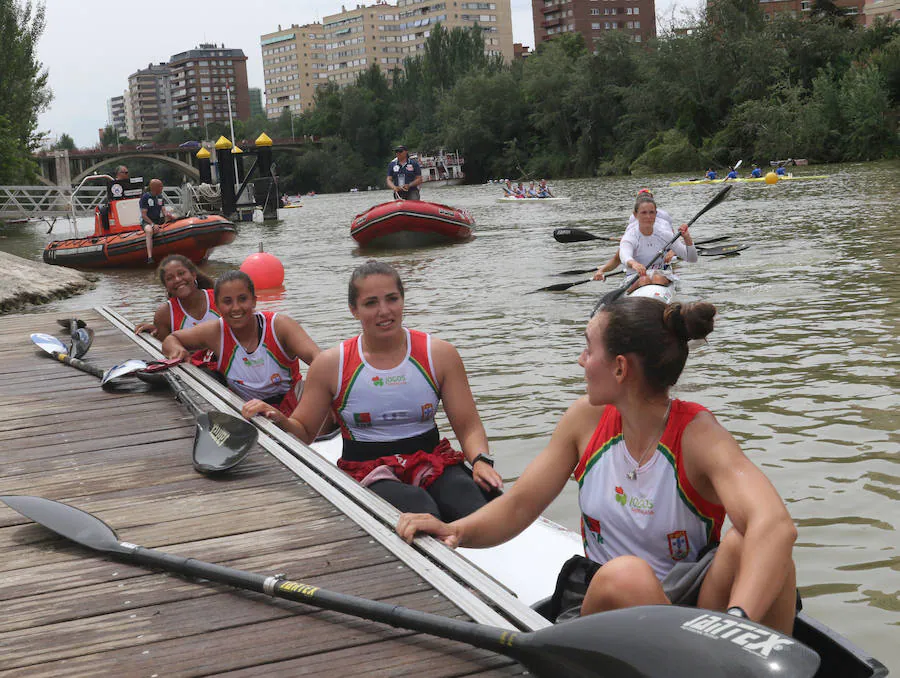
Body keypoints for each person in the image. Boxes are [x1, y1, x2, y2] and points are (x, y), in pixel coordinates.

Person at [397, 297, 798, 635]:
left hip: (692, 610)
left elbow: (777, 525)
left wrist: (735, 620)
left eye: (588, 349)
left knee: (753, 544)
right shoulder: (584, 422)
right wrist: (454, 531)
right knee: (629, 576)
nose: (580, 361)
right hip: (603, 604)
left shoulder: (698, 435)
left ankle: (726, 648)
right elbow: (520, 505)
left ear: (620, 368)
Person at [241, 260, 504, 520]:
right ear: (353, 310)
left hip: (431, 458)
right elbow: (305, 432)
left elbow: (468, 426)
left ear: (403, 300)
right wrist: (278, 419)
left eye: (392, 299)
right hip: (366, 467)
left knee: (474, 507)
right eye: (371, 303)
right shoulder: (331, 364)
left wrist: (480, 460)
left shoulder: (440, 354)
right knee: (422, 509)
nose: (384, 311)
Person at [161, 270, 322, 418]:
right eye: (228, 301)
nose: (236, 308)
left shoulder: (280, 326)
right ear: (217, 305)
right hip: (247, 410)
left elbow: (320, 360)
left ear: (254, 301)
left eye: (242, 299)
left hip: (291, 406)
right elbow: (171, 340)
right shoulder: (215, 332)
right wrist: (177, 351)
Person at [619, 194, 697, 290]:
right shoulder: (630, 236)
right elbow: (624, 256)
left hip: (660, 274)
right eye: (644, 213)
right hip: (634, 276)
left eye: (651, 212)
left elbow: (692, 259)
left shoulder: (665, 234)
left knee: (657, 278)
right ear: (635, 215)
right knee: (644, 280)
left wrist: (687, 239)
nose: (648, 216)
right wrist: (634, 264)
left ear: (656, 214)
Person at [134, 254, 219, 341]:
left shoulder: (219, 298)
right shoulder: (164, 314)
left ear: (193, 275)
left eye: (181, 273)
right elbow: (164, 349)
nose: (177, 279)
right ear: (166, 286)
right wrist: (155, 332)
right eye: (170, 278)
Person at [139, 178, 173, 264]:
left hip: (157, 219)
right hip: (147, 221)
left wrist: (167, 215)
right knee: (149, 231)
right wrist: (153, 224)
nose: (162, 188)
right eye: (160, 186)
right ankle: (150, 256)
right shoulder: (146, 197)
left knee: (173, 217)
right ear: (155, 187)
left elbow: (163, 210)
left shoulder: (160, 197)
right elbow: (144, 215)